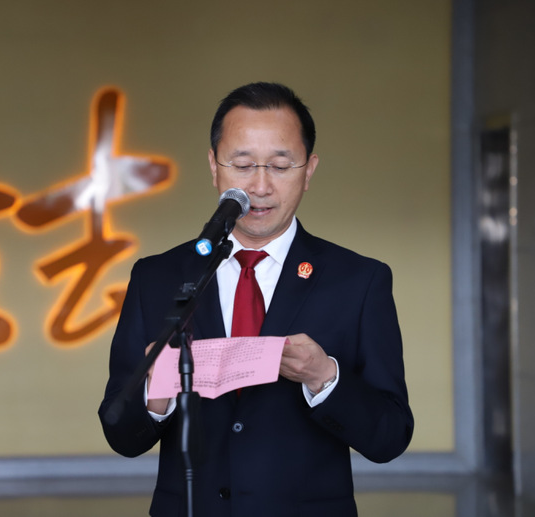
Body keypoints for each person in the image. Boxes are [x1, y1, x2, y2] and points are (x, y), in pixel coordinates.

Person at [98, 82, 413, 517]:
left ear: (309, 170)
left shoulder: (358, 281)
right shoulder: (157, 277)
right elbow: (121, 435)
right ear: (214, 166)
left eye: (281, 166)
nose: (260, 186)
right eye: (243, 165)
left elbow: (390, 438)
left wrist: (325, 378)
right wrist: (155, 393)